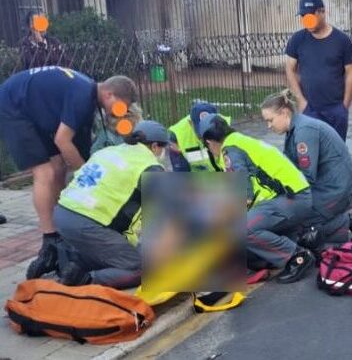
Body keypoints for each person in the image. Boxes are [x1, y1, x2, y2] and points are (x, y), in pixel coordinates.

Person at [0, 67, 138, 279]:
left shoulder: (88, 92)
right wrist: (88, 176)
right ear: (109, 94)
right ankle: (50, 239)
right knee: (45, 172)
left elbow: (70, 148)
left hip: (32, 107)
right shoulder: (82, 95)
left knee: (58, 166)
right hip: (13, 107)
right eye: (119, 107)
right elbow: (62, 140)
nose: (116, 113)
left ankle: (63, 223)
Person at [197, 114, 316, 283]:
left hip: (290, 199)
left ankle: (298, 256)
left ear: (209, 142)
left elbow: (243, 195)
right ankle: (302, 240)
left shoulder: (230, 151)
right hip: (295, 196)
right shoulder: (240, 141)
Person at [52, 120, 169, 288]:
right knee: (142, 266)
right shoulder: (149, 166)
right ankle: (86, 280)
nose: (162, 153)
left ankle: (77, 263)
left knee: (122, 251)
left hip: (62, 213)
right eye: (162, 148)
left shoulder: (108, 151)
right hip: (87, 223)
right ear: (155, 146)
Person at [260, 90, 352, 248]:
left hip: (336, 191)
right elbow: (289, 167)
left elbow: (305, 177)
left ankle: (349, 222)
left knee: (291, 218)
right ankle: (333, 228)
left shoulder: (304, 131)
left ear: (284, 113)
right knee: (287, 215)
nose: (269, 126)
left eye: (270, 120)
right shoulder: (296, 129)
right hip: (328, 186)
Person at [285, 0, 352, 140]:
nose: (306, 21)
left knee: (335, 154)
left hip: (335, 109)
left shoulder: (342, 40)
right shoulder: (298, 39)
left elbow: (351, 72)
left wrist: (344, 106)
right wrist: (301, 100)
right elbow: (290, 69)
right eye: (303, 16)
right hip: (309, 109)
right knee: (310, 154)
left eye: (310, 16)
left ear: (322, 12)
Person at [169, 101, 231, 172]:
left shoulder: (226, 128)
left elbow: (232, 164)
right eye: (201, 131)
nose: (206, 138)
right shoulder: (177, 137)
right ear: (190, 123)